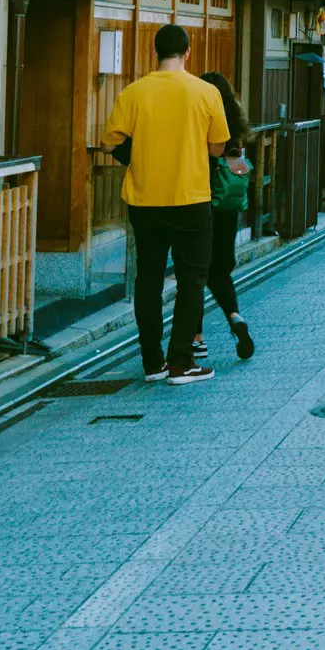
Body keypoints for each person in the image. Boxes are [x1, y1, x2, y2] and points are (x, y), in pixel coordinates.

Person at [101, 24, 230, 385]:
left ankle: (152, 362)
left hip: (145, 200)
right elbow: (218, 146)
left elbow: (109, 144)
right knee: (192, 279)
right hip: (190, 198)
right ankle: (181, 361)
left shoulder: (134, 93)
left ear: (154, 51)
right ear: (187, 52)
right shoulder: (205, 92)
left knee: (149, 278)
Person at [190, 72, 255, 362]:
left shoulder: (205, 116)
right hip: (231, 207)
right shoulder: (236, 119)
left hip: (205, 201)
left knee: (193, 272)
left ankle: (197, 339)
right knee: (219, 273)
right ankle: (234, 317)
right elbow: (238, 163)